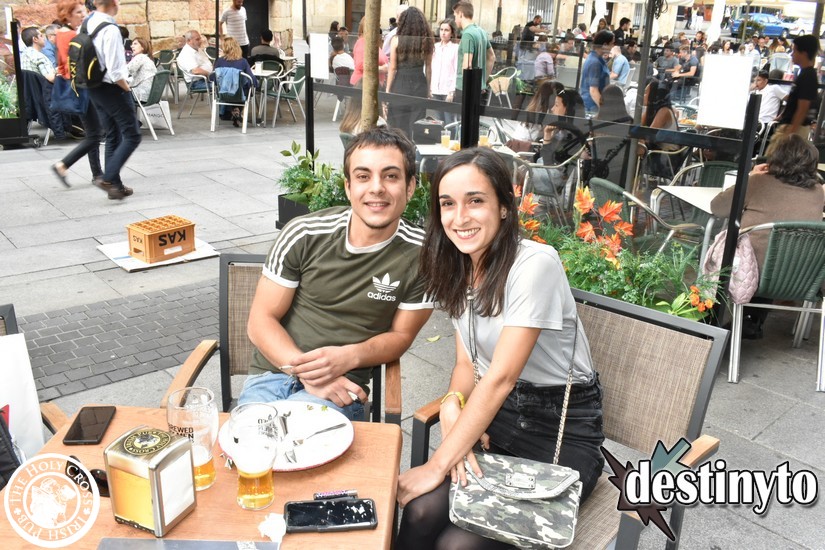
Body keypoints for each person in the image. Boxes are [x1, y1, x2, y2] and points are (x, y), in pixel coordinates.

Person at [396, 147, 605, 548]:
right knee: (421, 511)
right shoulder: (459, 266)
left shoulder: (535, 265)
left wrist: (437, 464)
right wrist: (453, 401)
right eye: (448, 204)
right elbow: (467, 363)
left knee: (458, 544)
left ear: (505, 206)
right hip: (497, 422)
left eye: (475, 201)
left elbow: (501, 377)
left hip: (560, 433)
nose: (460, 217)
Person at [240, 127, 434, 419]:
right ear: (348, 187)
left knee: (305, 438)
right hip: (275, 372)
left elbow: (401, 336)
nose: (377, 188)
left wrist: (348, 356)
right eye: (363, 176)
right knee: (252, 439)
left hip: (342, 384)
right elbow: (260, 321)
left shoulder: (424, 257)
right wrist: (310, 374)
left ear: (410, 187)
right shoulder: (304, 233)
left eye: (391, 176)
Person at [710, 134, 825, 338]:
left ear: (775, 158)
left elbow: (717, 207)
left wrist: (750, 176)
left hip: (749, 277)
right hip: (801, 280)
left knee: (746, 252)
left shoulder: (758, 182)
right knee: (778, 253)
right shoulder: (818, 193)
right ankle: (752, 320)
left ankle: (710, 317)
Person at [86, 0, 140, 200]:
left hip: (93, 87)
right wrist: (127, 89)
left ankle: (115, 186)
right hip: (112, 88)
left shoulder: (87, 22)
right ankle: (108, 178)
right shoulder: (110, 28)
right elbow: (115, 70)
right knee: (132, 135)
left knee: (113, 134)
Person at [51, 0, 103, 188]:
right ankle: (63, 165)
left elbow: (62, 66)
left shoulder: (60, 34)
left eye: (84, 11)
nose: (83, 15)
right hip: (83, 88)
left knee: (93, 132)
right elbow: (79, 65)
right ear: (67, 15)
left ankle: (97, 174)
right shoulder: (73, 35)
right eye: (79, 12)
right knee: (95, 134)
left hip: (77, 88)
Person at [386, 6, 433, 138]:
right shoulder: (425, 41)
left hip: (400, 83)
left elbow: (393, 68)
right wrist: (428, 89)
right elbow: (428, 67)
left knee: (398, 123)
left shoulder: (396, 39)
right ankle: (414, 147)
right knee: (417, 123)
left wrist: (388, 90)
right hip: (419, 83)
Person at [775, 34, 818, 140]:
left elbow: (803, 108)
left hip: (794, 128)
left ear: (803, 53)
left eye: (794, 51)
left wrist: (791, 133)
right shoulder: (804, 74)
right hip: (790, 126)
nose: (792, 54)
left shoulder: (808, 76)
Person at [452, 0, 496, 105]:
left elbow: (467, 65)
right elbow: (492, 57)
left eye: (455, 16)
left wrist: (466, 88)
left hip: (465, 88)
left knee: (462, 115)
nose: (455, 20)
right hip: (479, 87)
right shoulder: (482, 32)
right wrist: (483, 81)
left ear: (461, 14)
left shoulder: (467, 34)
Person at [211, 36, 257, 127]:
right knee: (244, 88)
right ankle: (237, 109)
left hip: (223, 94)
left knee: (230, 88)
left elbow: (213, 78)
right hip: (239, 94)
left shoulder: (219, 61)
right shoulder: (243, 61)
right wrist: (256, 84)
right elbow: (252, 79)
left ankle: (234, 110)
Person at [430, 18, 459, 123]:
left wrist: (451, 91)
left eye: (446, 30)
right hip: (435, 90)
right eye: (441, 29)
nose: (443, 33)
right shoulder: (435, 47)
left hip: (448, 90)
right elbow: (430, 67)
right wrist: (429, 88)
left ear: (452, 32)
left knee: (450, 121)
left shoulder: (455, 48)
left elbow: (457, 70)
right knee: (438, 121)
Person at [580, 29, 614, 114]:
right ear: (605, 44)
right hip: (592, 107)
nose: (612, 47)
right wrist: (605, 111)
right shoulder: (595, 62)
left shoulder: (598, 59)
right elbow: (593, 91)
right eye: (611, 44)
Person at [351, 20, 389, 87]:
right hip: (363, 84)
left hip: (374, 84)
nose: (379, 29)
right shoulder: (362, 42)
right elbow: (360, 65)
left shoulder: (372, 43)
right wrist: (381, 69)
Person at [126, 37, 156, 102]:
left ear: (143, 47)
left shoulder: (140, 57)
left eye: (135, 44)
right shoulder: (147, 58)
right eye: (132, 44)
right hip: (150, 95)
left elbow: (126, 71)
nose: (131, 46)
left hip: (140, 94)